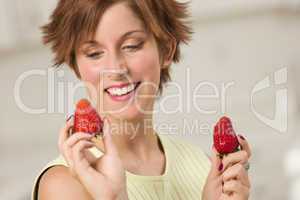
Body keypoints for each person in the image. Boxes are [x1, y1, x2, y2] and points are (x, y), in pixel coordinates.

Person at [32, 0, 251, 199]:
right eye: (94, 53)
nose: (116, 68)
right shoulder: (64, 186)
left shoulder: (201, 165)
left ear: (165, 49)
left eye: (131, 46)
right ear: (76, 66)